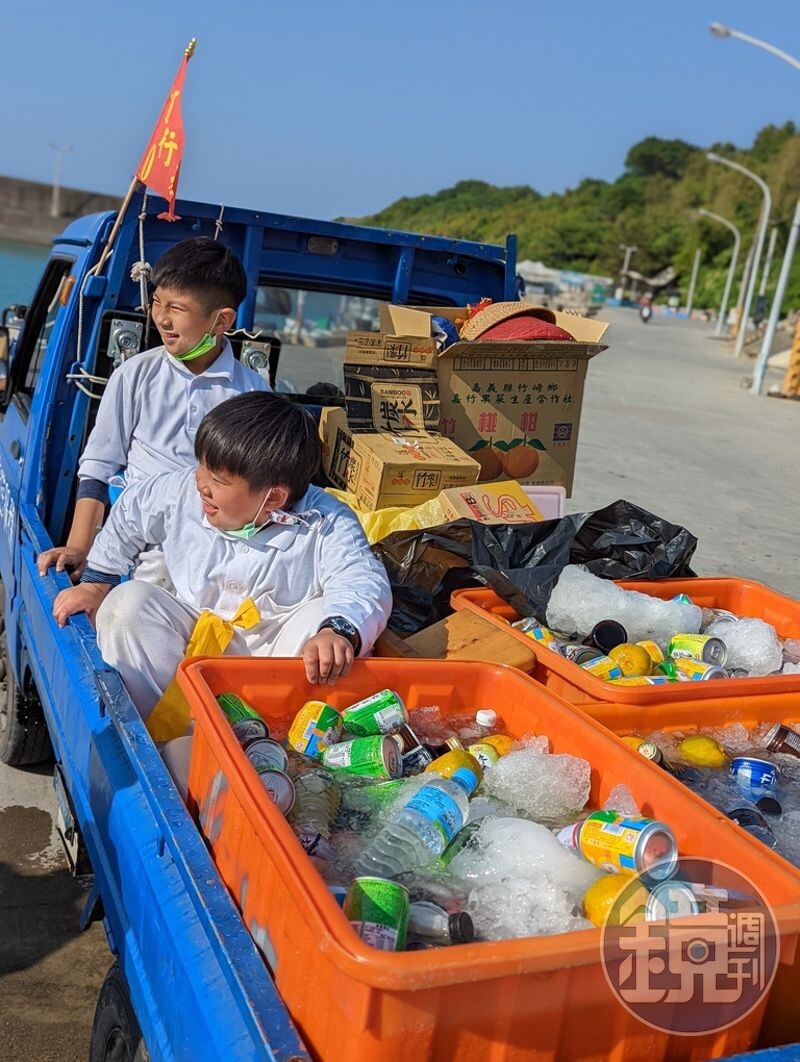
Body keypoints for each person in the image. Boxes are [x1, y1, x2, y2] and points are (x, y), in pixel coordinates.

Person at [51, 393, 393, 723]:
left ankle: (269, 740)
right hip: (189, 632)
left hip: (269, 651)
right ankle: (159, 731)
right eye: (201, 467)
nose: (201, 484)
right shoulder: (181, 489)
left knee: (323, 620)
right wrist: (97, 584)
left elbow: (361, 577)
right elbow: (130, 514)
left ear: (273, 498)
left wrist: (339, 630)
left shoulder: (327, 520)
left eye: (218, 480)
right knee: (126, 605)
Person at [38, 236, 269, 583]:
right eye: (157, 302)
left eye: (176, 308)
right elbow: (99, 467)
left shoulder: (253, 392)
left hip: (215, 549)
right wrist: (79, 547)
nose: (161, 318)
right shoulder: (134, 375)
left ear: (221, 321)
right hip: (137, 546)